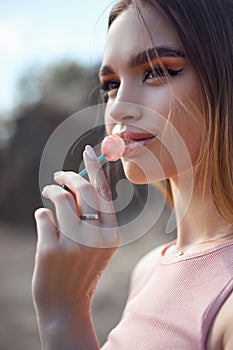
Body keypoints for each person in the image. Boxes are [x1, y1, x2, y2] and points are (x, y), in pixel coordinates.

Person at [32, 0, 233, 349]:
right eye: (110, 83)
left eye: (156, 71)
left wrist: (62, 314)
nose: (119, 106)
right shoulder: (146, 270)